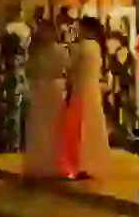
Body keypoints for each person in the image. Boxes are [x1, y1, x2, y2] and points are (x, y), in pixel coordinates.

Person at [60, 16, 112, 179]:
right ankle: (89, 162)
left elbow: (69, 65)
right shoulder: (96, 47)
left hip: (81, 88)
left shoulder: (81, 47)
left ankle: (78, 163)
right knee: (92, 124)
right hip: (93, 88)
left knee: (79, 126)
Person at [23, 20, 68, 181]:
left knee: (52, 127)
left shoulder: (55, 50)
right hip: (44, 89)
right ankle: (43, 163)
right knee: (41, 127)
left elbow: (64, 69)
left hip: (50, 89)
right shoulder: (39, 51)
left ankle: (51, 163)